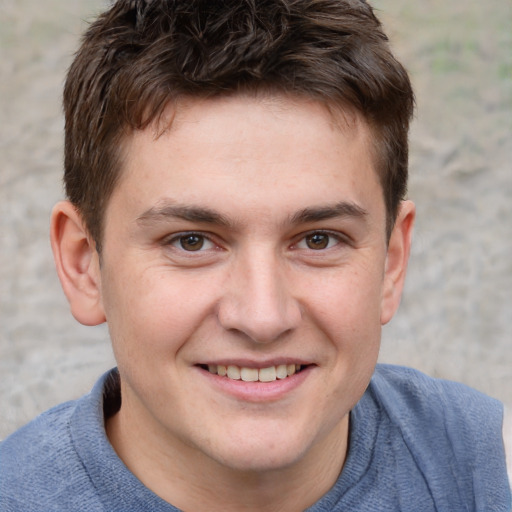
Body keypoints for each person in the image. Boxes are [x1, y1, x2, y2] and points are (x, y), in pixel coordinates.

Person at [0, 0, 509, 510]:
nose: (263, 317)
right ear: (84, 264)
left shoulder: (490, 470)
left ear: (391, 263)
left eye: (319, 239)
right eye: (191, 241)